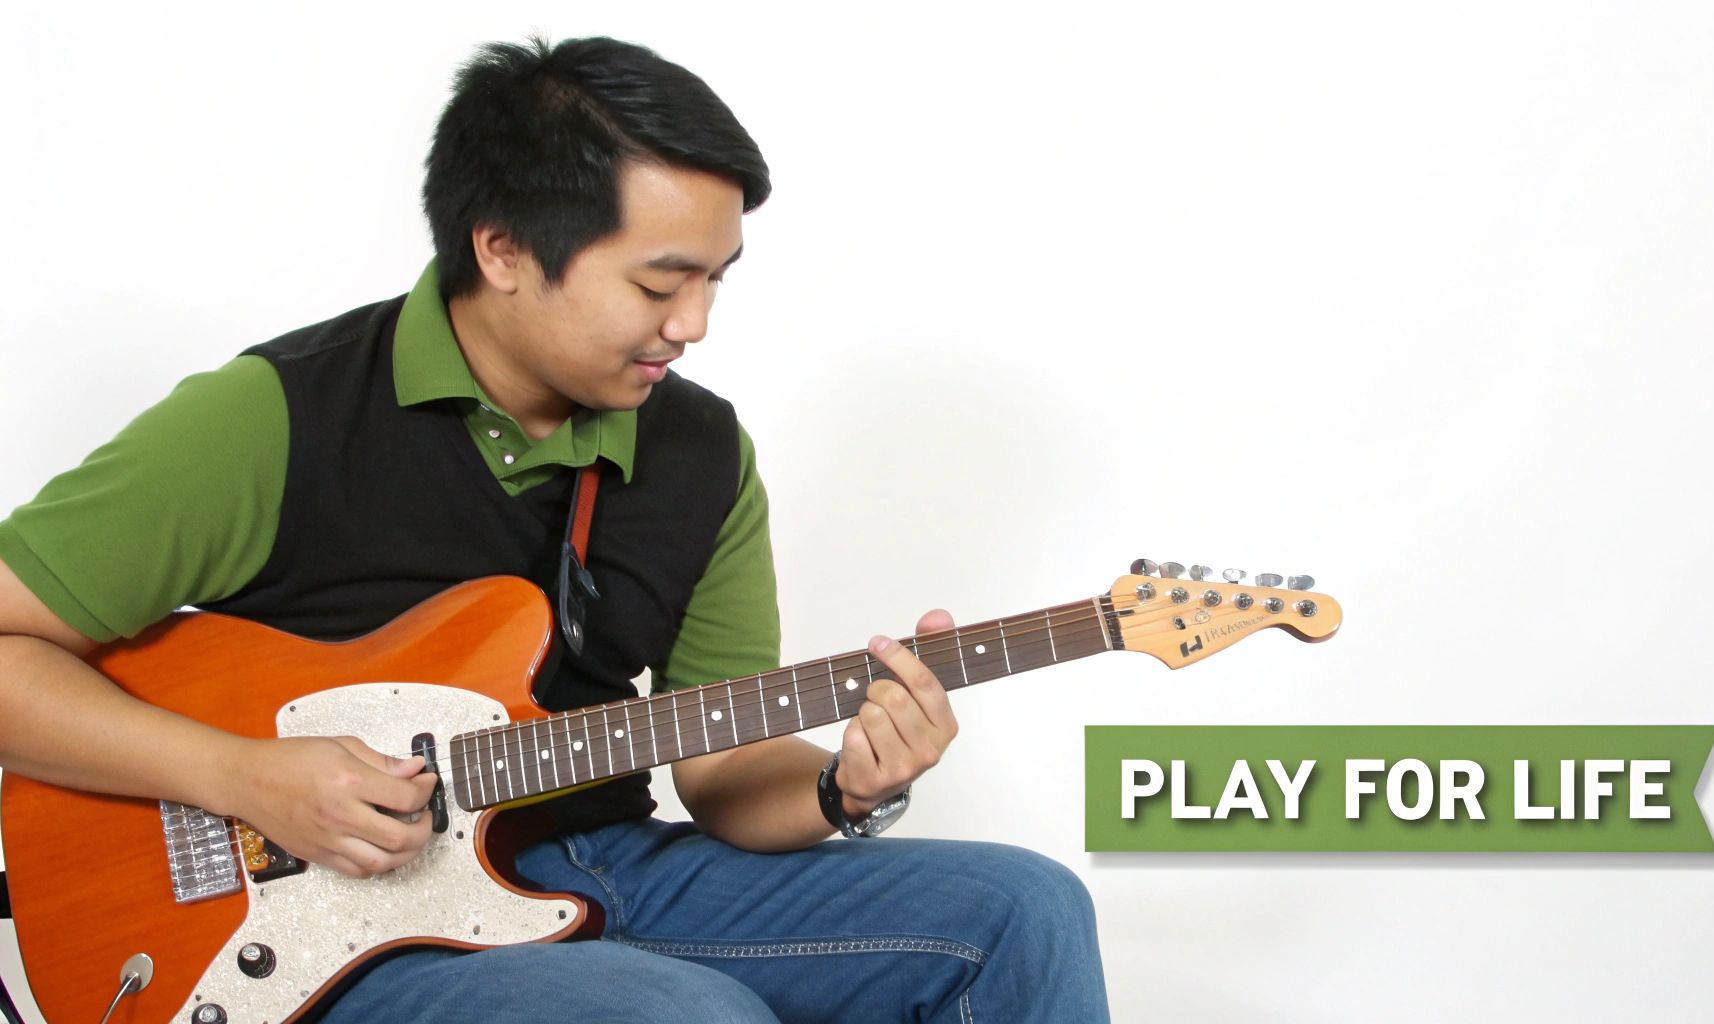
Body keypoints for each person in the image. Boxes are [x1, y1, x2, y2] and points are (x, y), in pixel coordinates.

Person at [0, 35, 1110, 1023]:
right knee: (677, 1013)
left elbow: (721, 763)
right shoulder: (271, 418)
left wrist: (844, 786)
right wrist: (243, 775)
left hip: (613, 863)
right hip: (337, 923)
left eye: (717, 280)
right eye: (658, 282)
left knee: (1021, 908)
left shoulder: (702, 457)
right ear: (502, 250)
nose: (694, 325)